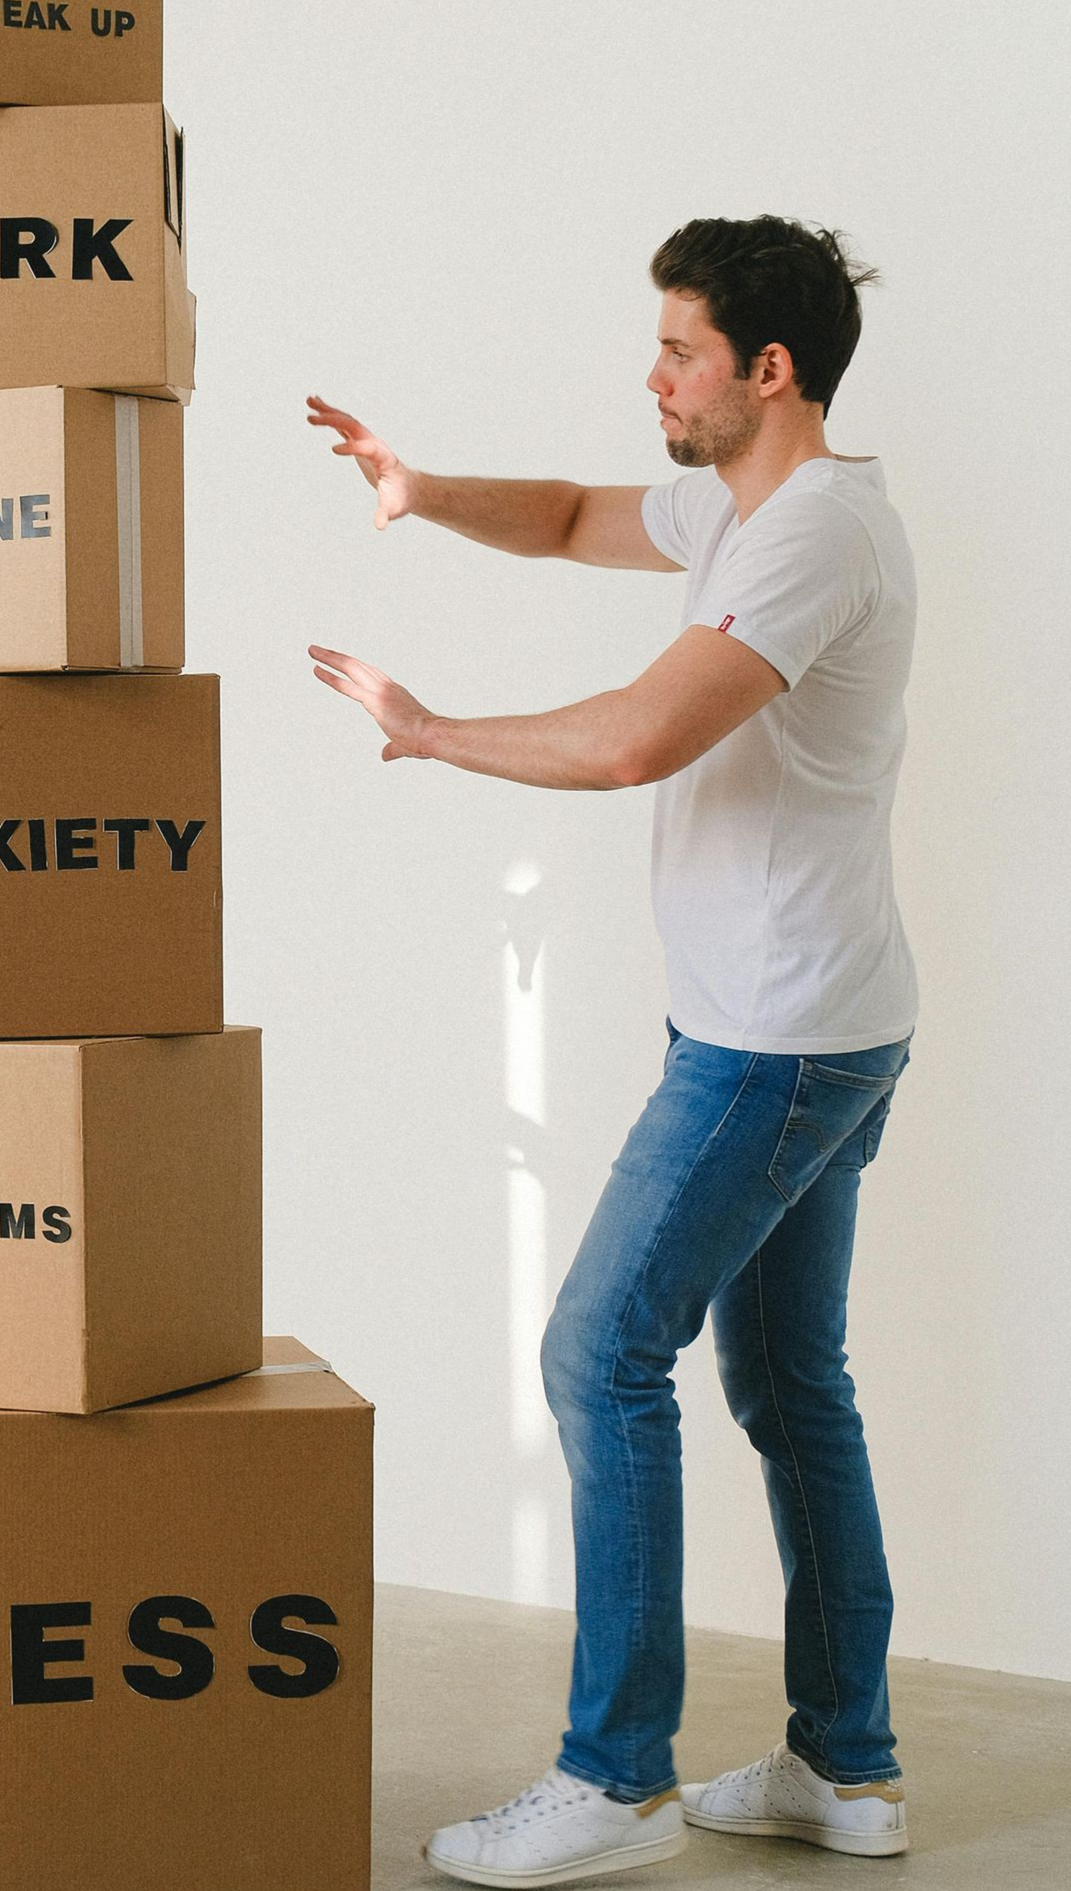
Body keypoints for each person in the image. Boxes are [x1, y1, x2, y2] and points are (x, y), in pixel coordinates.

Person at [307, 215, 917, 1886]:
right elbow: (577, 517)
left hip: (772, 1040)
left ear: (764, 371)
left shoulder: (810, 538)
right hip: (813, 1017)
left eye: (676, 349)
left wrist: (431, 732)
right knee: (792, 1385)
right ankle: (845, 1772)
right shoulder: (743, 509)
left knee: (599, 1356)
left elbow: (641, 735)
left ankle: (614, 1779)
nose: (650, 376)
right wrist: (422, 491)